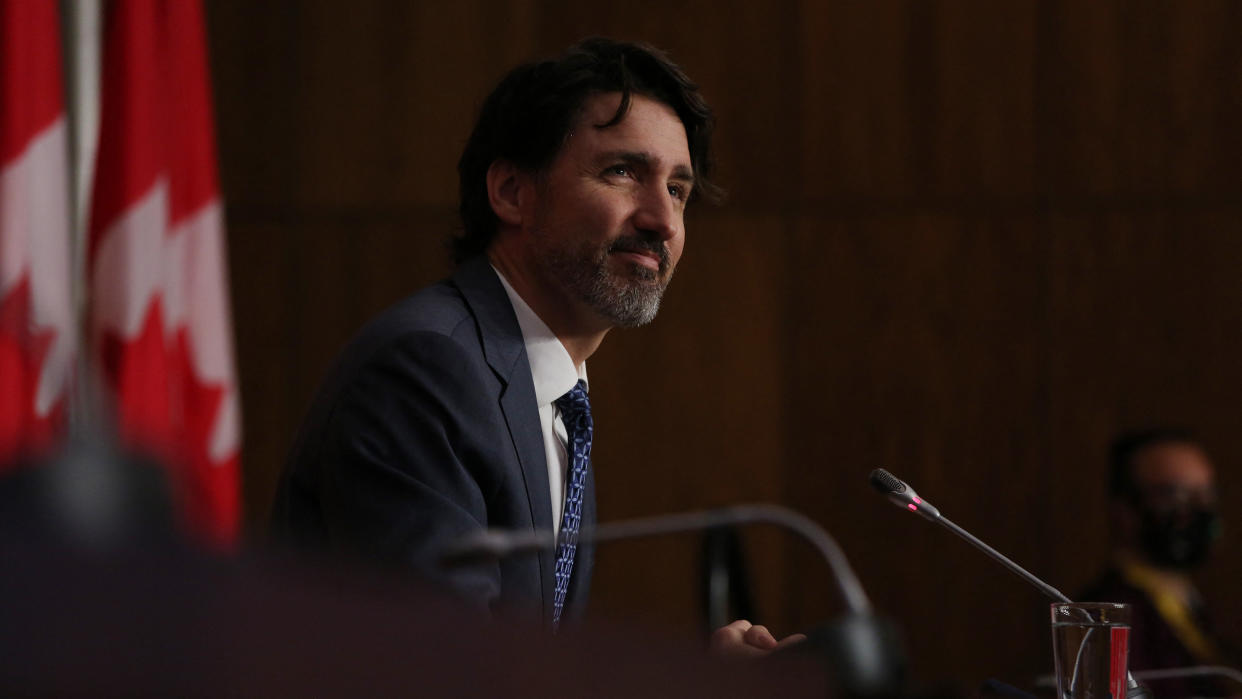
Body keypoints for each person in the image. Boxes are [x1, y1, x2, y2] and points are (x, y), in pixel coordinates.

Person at [271, 38, 798, 654]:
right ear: (513, 193)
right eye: (622, 171)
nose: (663, 219)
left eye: (678, 189)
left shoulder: (553, 389)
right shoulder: (426, 371)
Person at [1080, 428, 1238, 697]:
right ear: (1124, 509)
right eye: (1174, 495)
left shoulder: (1194, 609)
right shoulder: (1106, 616)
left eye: (1205, 493)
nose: (1197, 509)